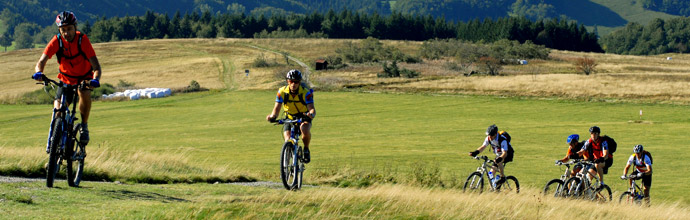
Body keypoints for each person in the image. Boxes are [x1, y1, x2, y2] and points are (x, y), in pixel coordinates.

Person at [32, 11, 102, 146]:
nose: (66, 33)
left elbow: (96, 67)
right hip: (65, 80)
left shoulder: (82, 40)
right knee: (57, 110)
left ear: (75, 27)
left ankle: (84, 126)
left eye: (69, 29)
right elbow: (41, 62)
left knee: (84, 93)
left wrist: (95, 80)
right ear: (59, 30)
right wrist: (39, 72)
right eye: (63, 30)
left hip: (83, 78)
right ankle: (53, 150)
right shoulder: (57, 41)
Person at [266, 69, 315, 163]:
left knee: (305, 129)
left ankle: (306, 149)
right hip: (289, 117)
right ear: (288, 81)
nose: (293, 84)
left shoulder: (305, 92)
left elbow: (312, 108)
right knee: (287, 139)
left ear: (299, 82)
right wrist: (272, 117)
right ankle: (285, 167)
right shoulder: (282, 92)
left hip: (303, 116)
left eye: (296, 82)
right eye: (291, 81)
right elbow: (276, 108)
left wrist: (310, 114)